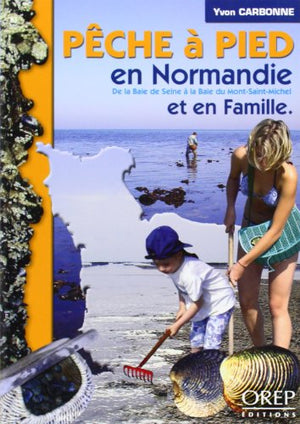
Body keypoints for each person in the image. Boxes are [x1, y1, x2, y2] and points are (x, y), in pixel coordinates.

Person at [224, 119, 299, 349]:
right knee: (247, 301)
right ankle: (261, 353)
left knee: (277, 305)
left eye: (270, 157)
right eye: (259, 155)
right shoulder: (241, 156)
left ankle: (280, 362)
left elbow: (276, 230)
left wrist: (241, 264)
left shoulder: (288, 175)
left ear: (281, 152)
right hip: (250, 229)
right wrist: (230, 208)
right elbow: (233, 179)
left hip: (283, 234)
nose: (263, 162)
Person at [145, 226, 235, 352]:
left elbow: (198, 304)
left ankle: (211, 366)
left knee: (211, 342)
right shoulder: (174, 268)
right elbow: (181, 289)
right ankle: (194, 366)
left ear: (178, 254)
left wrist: (177, 325)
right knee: (196, 340)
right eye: (156, 264)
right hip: (201, 301)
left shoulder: (190, 274)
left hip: (220, 302)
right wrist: (182, 307)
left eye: (165, 264)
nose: (161, 269)